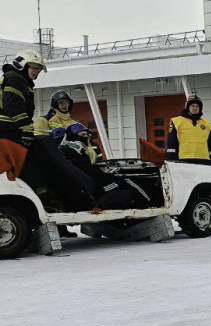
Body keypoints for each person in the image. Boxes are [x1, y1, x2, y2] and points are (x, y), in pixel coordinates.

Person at [0, 50, 97, 213]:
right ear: (22, 64)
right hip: (8, 131)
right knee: (32, 166)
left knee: (30, 165)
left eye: (38, 69)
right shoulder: (16, 79)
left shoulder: (16, 79)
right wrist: (25, 128)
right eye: (34, 67)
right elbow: (13, 106)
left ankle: (44, 201)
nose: (36, 72)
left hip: (9, 130)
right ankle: (45, 202)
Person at [57, 124, 151, 210]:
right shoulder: (72, 154)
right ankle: (148, 204)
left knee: (120, 182)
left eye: (87, 135)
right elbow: (86, 172)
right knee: (123, 180)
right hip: (95, 191)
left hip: (89, 188)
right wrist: (109, 177)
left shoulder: (70, 153)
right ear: (73, 137)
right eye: (83, 135)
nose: (86, 137)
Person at [165, 93, 211, 165]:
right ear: (188, 107)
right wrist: (171, 159)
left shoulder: (206, 124)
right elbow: (172, 142)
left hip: (204, 160)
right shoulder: (177, 122)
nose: (195, 108)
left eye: (197, 106)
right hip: (184, 160)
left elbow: (210, 143)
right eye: (192, 106)